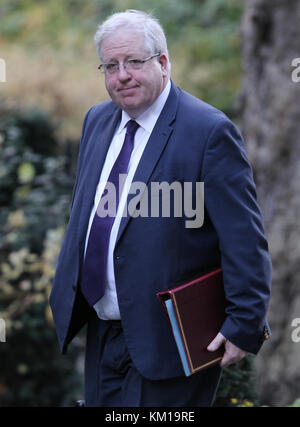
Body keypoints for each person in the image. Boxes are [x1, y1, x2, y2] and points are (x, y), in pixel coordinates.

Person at [50, 9, 271, 407]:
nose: (122, 75)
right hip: (103, 331)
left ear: (163, 63)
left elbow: (244, 238)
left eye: (134, 62)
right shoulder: (97, 120)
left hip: (172, 338)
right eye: (111, 65)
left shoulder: (208, 132)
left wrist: (244, 322)